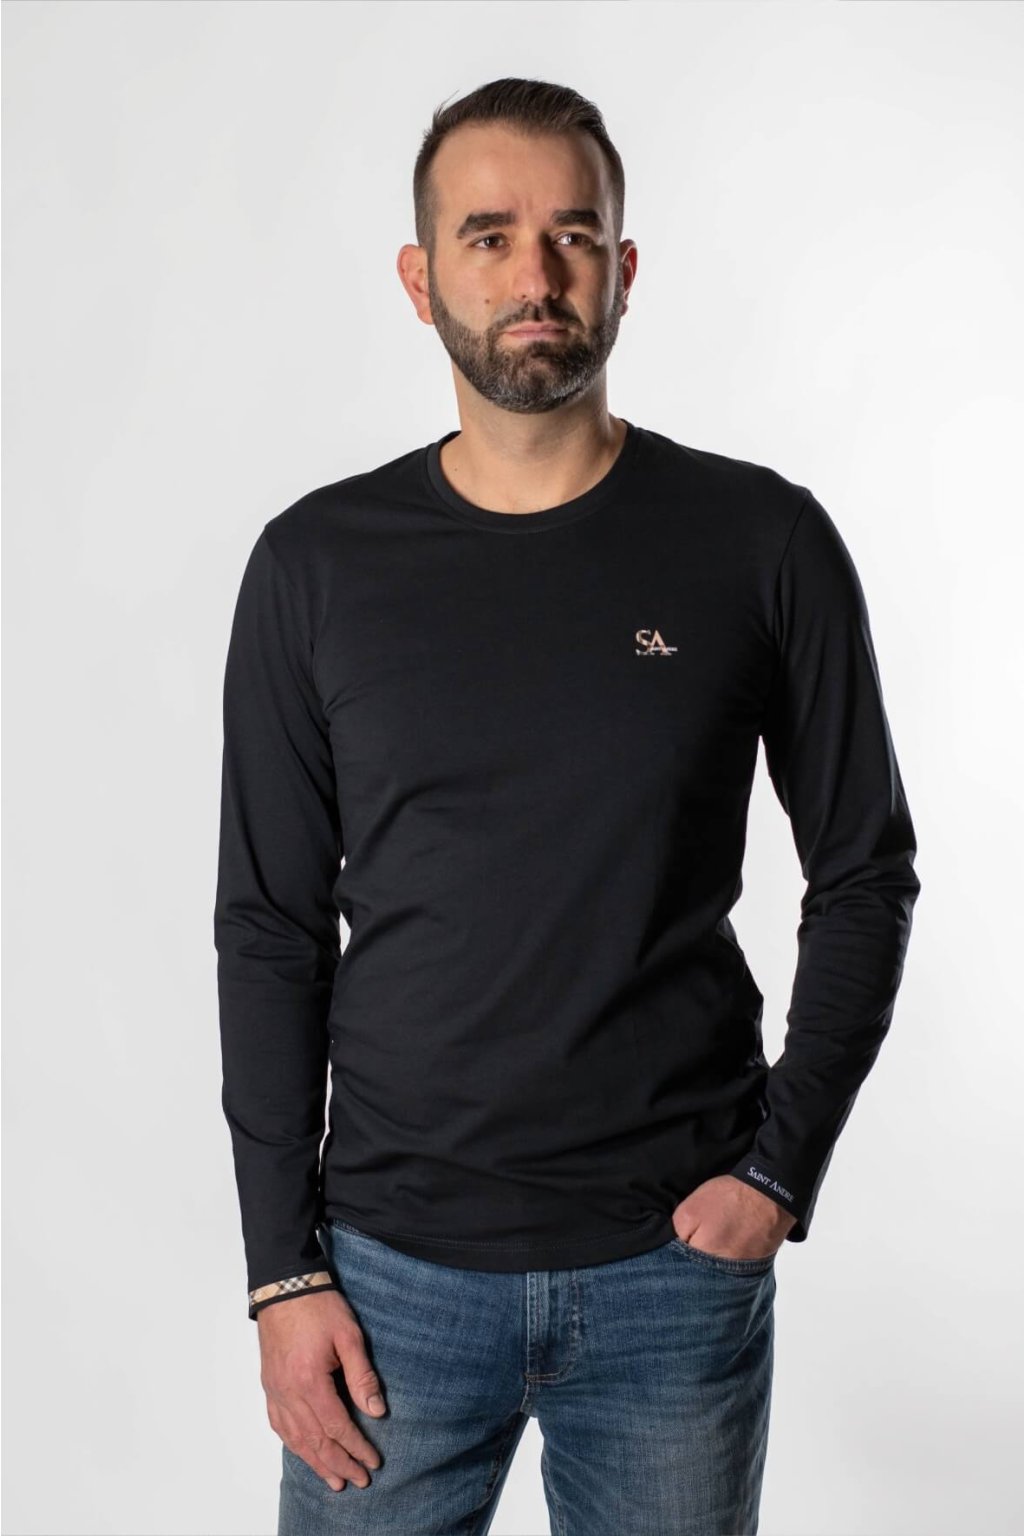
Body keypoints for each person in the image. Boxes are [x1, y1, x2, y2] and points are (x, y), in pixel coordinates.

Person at [213, 75, 921, 1536]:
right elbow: (272, 928)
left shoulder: (760, 540)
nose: (535, 274)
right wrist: (282, 1270)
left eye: (574, 234)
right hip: (389, 1278)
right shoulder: (315, 566)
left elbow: (864, 869)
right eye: (488, 236)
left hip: (674, 1271)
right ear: (420, 280)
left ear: (624, 268)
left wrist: (780, 1170)